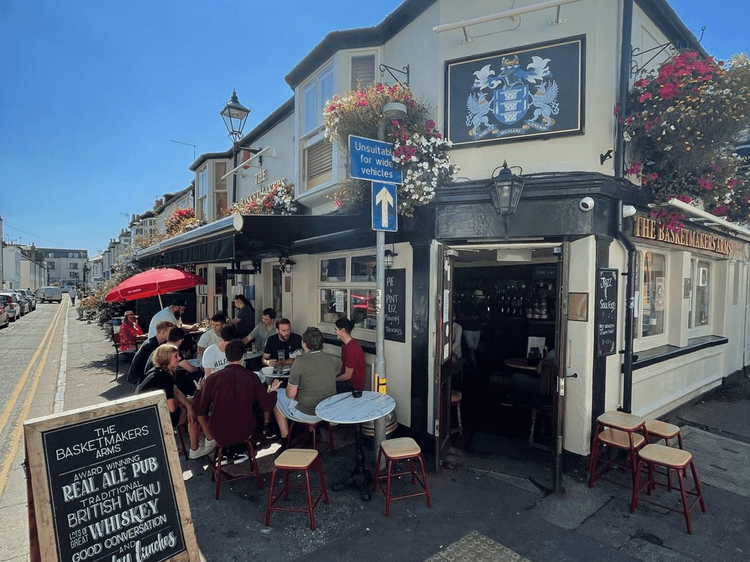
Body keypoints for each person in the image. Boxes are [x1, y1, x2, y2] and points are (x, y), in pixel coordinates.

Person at [192, 339, 278, 465]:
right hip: (244, 429)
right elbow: (267, 405)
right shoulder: (251, 377)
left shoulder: (213, 379)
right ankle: (238, 451)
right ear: (243, 357)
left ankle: (229, 453)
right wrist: (273, 392)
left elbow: (199, 409)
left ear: (226, 357)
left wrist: (199, 391)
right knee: (247, 417)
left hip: (218, 431)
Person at [139, 343, 215, 459]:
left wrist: (187, 405)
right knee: (195, 410)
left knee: (194, 403)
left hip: (149, 413)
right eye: (176, 356)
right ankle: (196, 448)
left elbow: (176, 391)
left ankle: (210, 438)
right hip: (155, 418)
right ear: (166, 358)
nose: (179, 358)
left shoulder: (157, 371)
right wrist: (188, 407)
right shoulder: (164, 377)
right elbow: (172, 408)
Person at [269, 327, 337, 445]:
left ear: (304, 344)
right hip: (326, 410)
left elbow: (290, 395)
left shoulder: (299, 363)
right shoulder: (330, 359)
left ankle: (285, 440)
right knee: (311, 393)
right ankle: (312, 434)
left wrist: (276, 389)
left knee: (275, 396)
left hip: (307, 412)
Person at [127, 320, 175, 385]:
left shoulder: (162, 343)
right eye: (170, 332)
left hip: (147, 374)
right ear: (163, 332)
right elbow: (154, 364)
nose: (172, 334)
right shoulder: (150, 344)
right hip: (138, 378)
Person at [334, 317, 366, 393]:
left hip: (354, 386)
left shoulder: (352, 348)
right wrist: (331, 375)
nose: (334, 331)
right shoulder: (345, 345)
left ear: (342, 330)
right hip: (347, 382)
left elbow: (348, 375)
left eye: (336, 329)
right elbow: (342, 367)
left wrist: (332, 380)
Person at [461, 289, 489, 370]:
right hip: (468, 330)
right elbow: (461, 317)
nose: (480, 300)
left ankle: (472, 365)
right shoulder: (466, 304)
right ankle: (475, 367)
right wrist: (470, 318)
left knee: (474, 349)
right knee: (471, 349)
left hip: (477, 330)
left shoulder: (482, 306)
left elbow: (485, 316)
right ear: (475, 298)